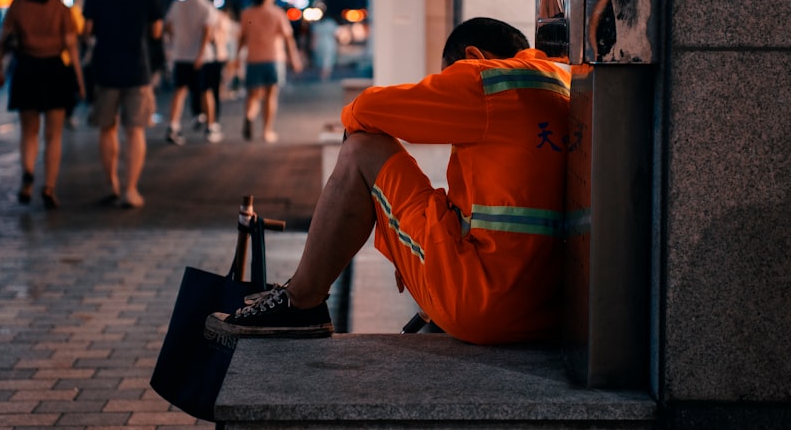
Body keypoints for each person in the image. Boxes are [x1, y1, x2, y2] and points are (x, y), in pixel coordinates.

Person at [207, 17, 572, 346]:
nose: (450, 83)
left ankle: (302, 300)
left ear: (473, 55)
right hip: (551, 314)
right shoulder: (565, 80)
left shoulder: (486, 79)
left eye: (447, 75)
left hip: (483, 302)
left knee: (362, 148)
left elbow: (363, 110)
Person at [0, 0, 85, 209]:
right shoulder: (61, 10)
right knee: (54, 135)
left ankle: (28, 175)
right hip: (55, 71)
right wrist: (80, 80)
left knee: (28, 132)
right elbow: (72, 48)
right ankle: (49, 187)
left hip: (27, 70)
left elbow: (3, 40)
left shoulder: (18, 7)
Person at [82, 0, 164, 208]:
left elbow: (87, 30)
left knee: (107, 129)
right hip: (137, 70)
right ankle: (131, 190)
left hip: (105, 69)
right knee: (135, 131)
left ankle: (112, 187)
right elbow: (156, 32)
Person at [238, 0, 303, 143]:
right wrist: (294, 58)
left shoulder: (247, 13)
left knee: (253, 94)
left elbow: (242, 37)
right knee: (270, 95)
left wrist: (236, 58)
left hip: (253, 58)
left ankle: (249, 115)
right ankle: (267, 131)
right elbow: (288, 38)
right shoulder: (277, 13)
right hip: (273, 58)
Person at [163, 0, 221, 145]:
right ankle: (211, 127)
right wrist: (200, 54)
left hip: (181, 55)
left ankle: (173, 126)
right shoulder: (207, 6)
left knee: (180, 90)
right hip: (201, 57)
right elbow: (207, 33)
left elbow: (168, 27)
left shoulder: (178, 5)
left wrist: (177, 42)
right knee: (206, 91)